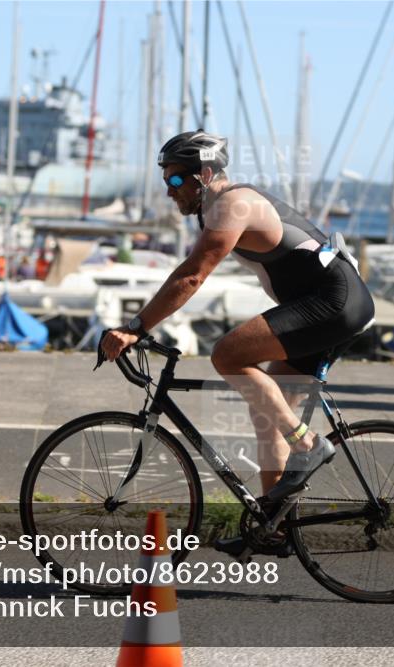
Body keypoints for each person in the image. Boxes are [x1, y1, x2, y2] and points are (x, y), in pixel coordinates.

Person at [101, 130, 375, 554]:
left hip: (335, 301)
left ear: (205, 175)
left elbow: (192, 275)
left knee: (227, 354)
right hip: (326, 303)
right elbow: (188, 275)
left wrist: (136, 327)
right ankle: (274, 527)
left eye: (175, 181)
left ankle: (309, 445)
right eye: (165, 181)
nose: (169, 191)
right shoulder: (214, 208)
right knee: (268, 411)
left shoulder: (233, 204)